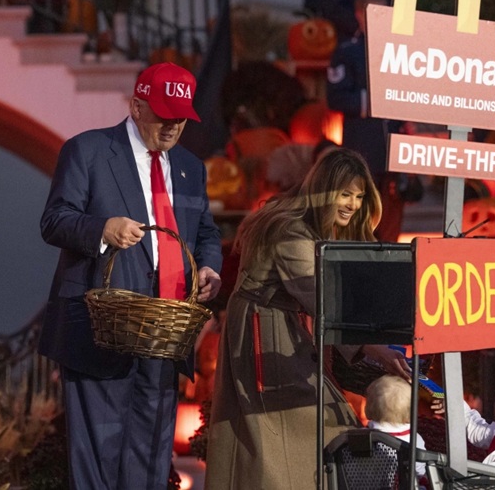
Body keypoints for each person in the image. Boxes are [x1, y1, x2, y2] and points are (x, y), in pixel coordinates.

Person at [39, 62, 224, 489]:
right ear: (137, 106)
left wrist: (209, 265)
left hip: (163, 336)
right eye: (164, 115)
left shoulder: (191, 167)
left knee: (150, 463)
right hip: (99, 331)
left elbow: (206, 232)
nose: (172, 126)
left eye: (181, 118)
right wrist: (102, 229)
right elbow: (54, 220)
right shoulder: (88, 150)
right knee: (98, 462)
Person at [205, 148, 411, 489]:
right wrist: (377, 349)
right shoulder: (291, 232)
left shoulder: (307, 224)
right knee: (291, 424)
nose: (353, 204)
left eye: (359, 196)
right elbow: (323, 297)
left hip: (281, 324)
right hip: (264, 330)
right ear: (324, 190)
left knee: (303, 424)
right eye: (345, 194)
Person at [326, 0, 420, 242]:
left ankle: (390, 256)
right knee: (361, 214)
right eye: (376, 13)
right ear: (360, 15)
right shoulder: (348, 52)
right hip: (363, 146)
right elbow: (337, 98)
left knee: (392, 213)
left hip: (394, 148)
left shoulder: (398, 50)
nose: (383, 18)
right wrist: (379, 100)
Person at [365, 375, 428, 483]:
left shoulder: (360, 437)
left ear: (368, 409)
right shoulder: (415, 440)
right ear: (412, 414)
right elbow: (419, 472)